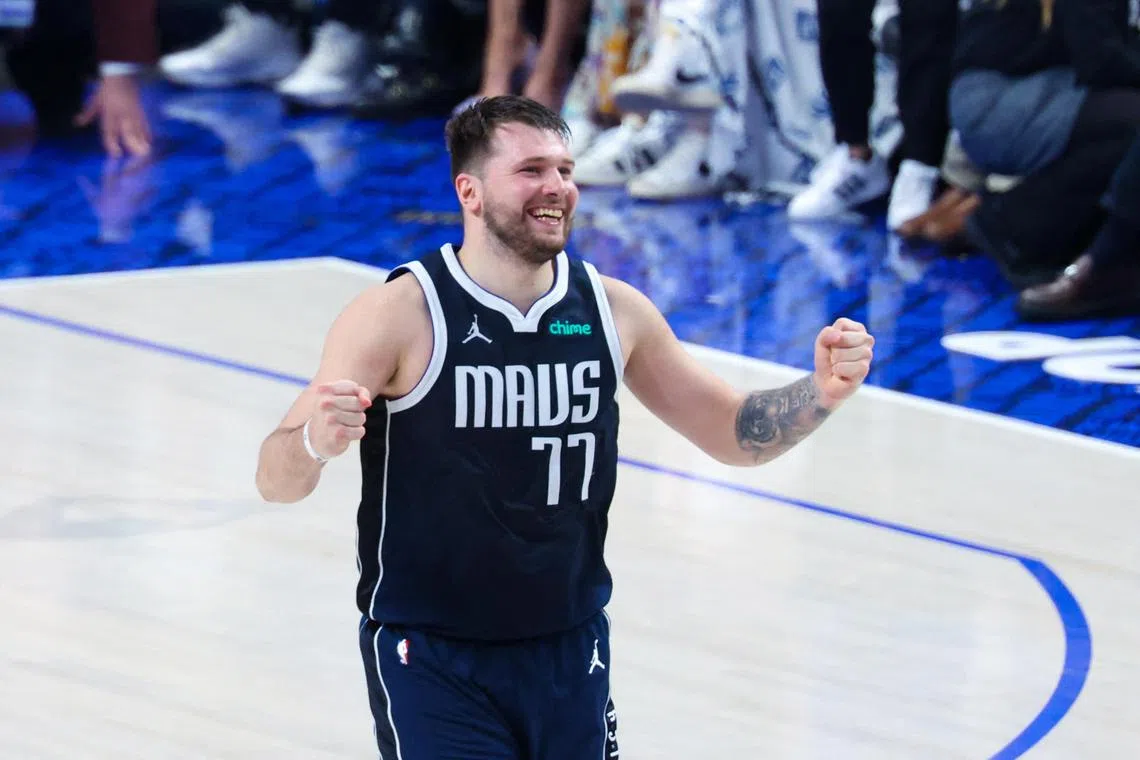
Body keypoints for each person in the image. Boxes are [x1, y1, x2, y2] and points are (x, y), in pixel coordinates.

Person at [254, 95, 875, 758]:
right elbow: (275, 479)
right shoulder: (399, 314)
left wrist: (822, 393)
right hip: (432, 657)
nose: (556, 188)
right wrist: (317, 441)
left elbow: (730, 432)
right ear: (469, 190)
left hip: (570, 648)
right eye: (531, 170)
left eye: (566, 170)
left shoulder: (613, 310)